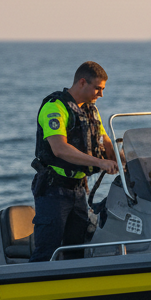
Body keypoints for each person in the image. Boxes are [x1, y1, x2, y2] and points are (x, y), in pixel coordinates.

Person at [29, 61, 118, 262]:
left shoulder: (91, 111)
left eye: (103, 89)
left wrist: (123, 161)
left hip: (79, 191)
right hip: (53, 191)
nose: (101, 94)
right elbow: (59, 149)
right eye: (98, 88)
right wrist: (100, 162)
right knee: (47, 251)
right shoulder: (55, 108)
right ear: (82, 82)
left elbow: (105, 141)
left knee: (77, 252)